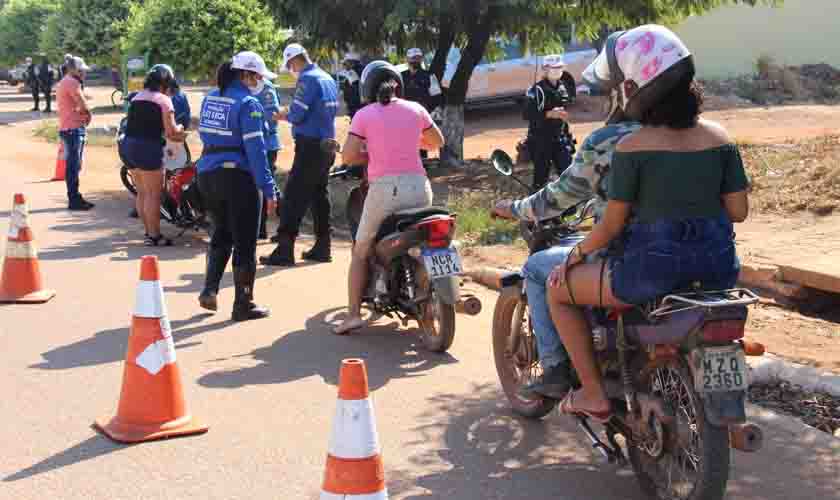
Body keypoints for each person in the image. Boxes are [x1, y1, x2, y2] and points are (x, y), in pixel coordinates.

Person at [540, 25, 749, 422]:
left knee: (556, 291)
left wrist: (573, 257)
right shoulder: (720, 137)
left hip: (648, 274)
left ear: (636, 87)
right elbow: (738, 211)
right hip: (717, 270)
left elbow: (612, 225)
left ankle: (593, 393)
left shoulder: (631, 147)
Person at [493, 89, 641, 399]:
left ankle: (556, 368)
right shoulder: (694, 135)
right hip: (699, 254)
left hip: (624, 257)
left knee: (537, 269)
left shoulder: (610, 140)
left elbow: (559, 198)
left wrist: (514, 208)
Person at [333, 60, 445, 335]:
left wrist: (371, 154)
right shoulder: (417, 109)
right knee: (421, 238)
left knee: (360, 251)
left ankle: (353, 315)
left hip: (384, 190)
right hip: (420, 187)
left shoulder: (363, 115)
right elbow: (437, 142)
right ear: (399, 84)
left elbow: (348, 156)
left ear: (367, 88)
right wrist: (411, 142)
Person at [196, 51, 278, 322]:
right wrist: (269, 188)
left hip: (208, 174)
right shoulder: (249, 104)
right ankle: (244, 304)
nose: (259, 81)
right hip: (238, 179)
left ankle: (209, 289)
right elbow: (256, 151)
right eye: (257, 76)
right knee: (245, 243)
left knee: (221, 232)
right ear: (245, 75)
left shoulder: (210, 97)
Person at [261, 43, 339, 266]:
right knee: (319, 195)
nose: (292, 69)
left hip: (310, 146)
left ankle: (285, 249)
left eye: (290, 65)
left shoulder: (308, 79)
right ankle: (323, 246)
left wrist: (281, 115)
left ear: (293, 61)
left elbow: (297, 114)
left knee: (294, 196)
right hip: (328, 144)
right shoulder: (327, 77)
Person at [118, 64, 187, 245]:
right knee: (154, 195)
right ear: (165, 83)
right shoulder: (164, 101)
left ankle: (149, 233)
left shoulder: (137, 97)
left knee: (141, 193)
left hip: (128, 146)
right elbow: (171, 132)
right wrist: (181, 128)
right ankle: (155, 236)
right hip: (148, 147)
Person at [524, 55, 574, 190]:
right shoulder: (535, 90)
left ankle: (569, 208)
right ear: (544, 69)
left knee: (568, 172)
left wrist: (568, 134)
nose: (557, 70)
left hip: (559, 138)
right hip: (540, 140)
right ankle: (535, 206)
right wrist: (549, 114)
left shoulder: (562, 87)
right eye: (553, 68)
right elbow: (527, 114)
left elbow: (563, 113)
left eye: (559, 67)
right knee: (541, 178)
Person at [55, 56, 95, 211]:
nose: (84, 73)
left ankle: (75, 197)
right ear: (74, 70)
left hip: (70, 128)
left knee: (74, 164)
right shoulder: (72, 82)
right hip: (73, 129)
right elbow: (81, 102)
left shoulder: (66, 81)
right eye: (81, 70)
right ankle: (74, 198)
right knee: (73, 165)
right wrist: (88, 114)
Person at [249, 71, 282, 240]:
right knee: (257, 186)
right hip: (252, 143)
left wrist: (256, 124)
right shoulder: (243, 87)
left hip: (267, 143)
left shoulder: (266, 87)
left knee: (266, 184)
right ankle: (260, 229)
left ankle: (287, 224)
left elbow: (273, 115)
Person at [400, 48, 442, 160]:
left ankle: (423, 165)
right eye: (413, 58)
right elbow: (393, 94)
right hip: (404, 116)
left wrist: (429, 111)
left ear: (421, 59)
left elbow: (437, 95)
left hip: (422, 116)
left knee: (422, 142)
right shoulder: (400, 76)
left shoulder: (429, 75)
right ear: (407, 59)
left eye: (418, 58)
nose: (415, 61)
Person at [338, 53, 365, 119]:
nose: (344, 66)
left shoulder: (353, 72)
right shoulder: (361, 70)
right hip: (360, 104)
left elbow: (352, 89)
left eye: (345, 63)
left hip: (356, 104)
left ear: (351, 62)